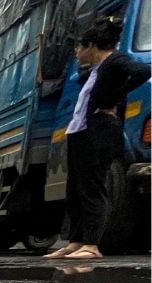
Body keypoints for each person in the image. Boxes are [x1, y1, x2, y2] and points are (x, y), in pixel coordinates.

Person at [45, 16, 151, 260]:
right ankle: (75, 241)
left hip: (100, 131)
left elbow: (144, 71)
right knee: (75, 190)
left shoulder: (116, 61)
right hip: (80, 132)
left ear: (91, 46)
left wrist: (113, 97)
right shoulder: (94, 71)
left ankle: (91, 244)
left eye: (79, 48)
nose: (76, 53)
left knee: (93, 187)